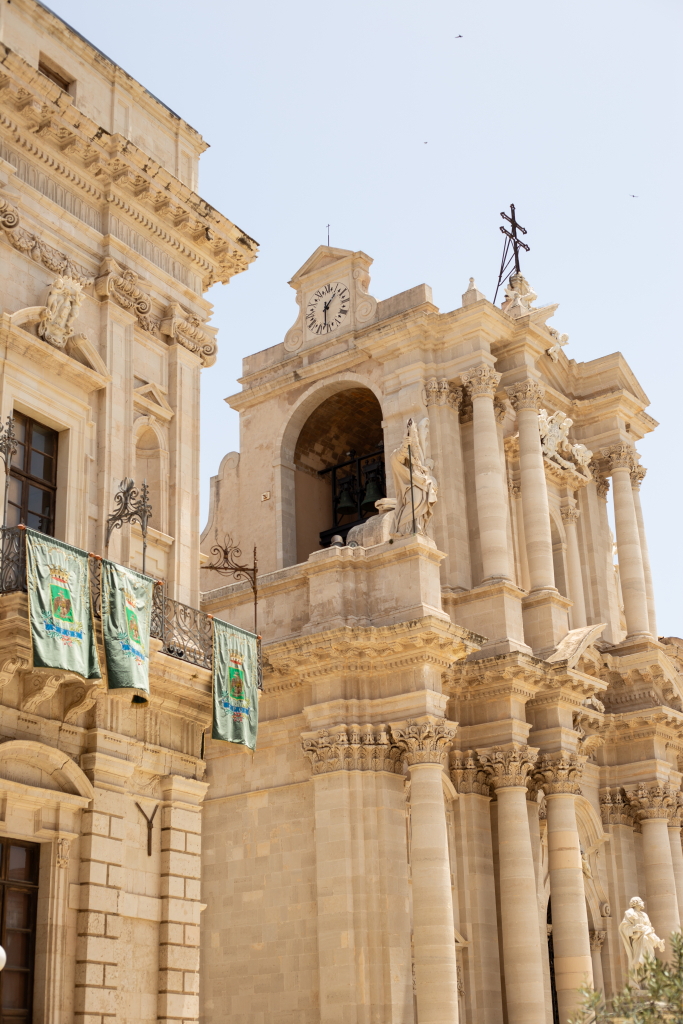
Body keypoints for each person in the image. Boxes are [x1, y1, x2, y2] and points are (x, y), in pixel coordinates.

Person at [618, 896, 665, 969]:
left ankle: (658, 942)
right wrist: (635, 928)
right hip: (638, 940)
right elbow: (624, 928)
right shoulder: (630, 914)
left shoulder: (644, 915)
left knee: (649, 963)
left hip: (647, 939)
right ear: (636, 903)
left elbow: (650, 929)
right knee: (641, 963)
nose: (643, 903)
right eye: (641, 901)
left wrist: (657, 940)